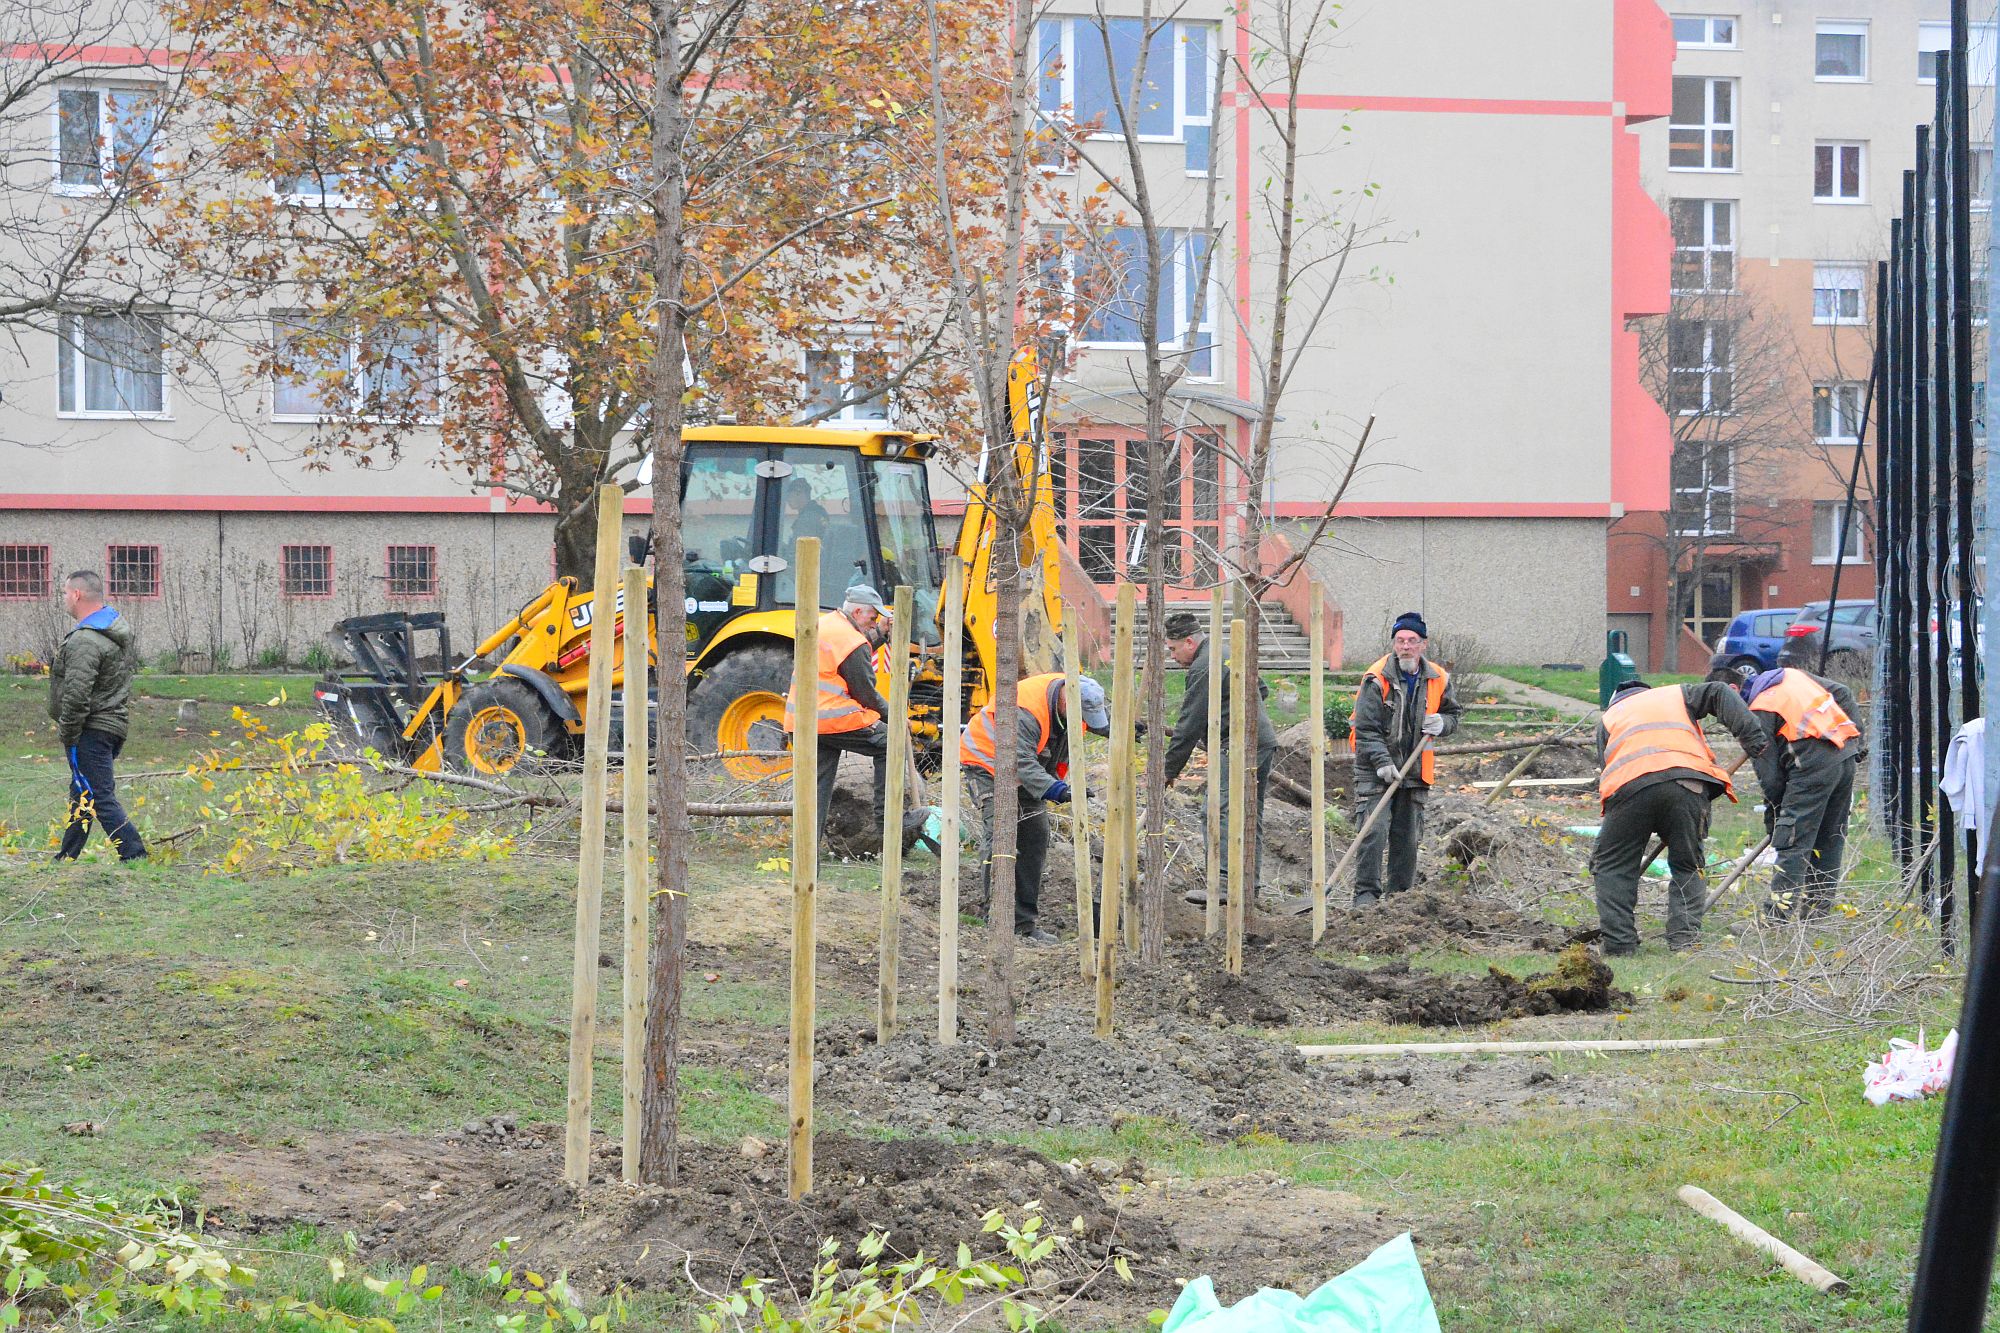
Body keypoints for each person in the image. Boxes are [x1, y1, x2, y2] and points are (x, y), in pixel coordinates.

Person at [1593, 677, 1768, 954]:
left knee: (1613, 866)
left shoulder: (1609, 718)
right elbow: (1719, 690)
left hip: (1629, 788)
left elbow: (1607, 767)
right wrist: (1752, 736)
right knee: (1687, 865)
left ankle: (1619, 945)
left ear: (1615, 700)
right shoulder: (1675, 694)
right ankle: (1684, 941)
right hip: (1688, 784)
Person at [960, 671, 1111, 943]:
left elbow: (1092, 716)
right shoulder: (1026, 710)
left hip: (1026, 769)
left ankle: (1023, 924)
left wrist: (1120, 727)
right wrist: (1059, 790)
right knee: (1001, 838)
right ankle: (995, 917)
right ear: (1066, 705)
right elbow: (1023, 763)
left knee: (1035, 837)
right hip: (987, 764)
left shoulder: (1077, 690)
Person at [1716, 664, 1863, 923]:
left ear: (1733, 690)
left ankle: (1776, 918)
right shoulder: (1790, 676)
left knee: (1793, 841)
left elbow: (1771, 780)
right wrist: (1857, 741)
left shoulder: (1760, 710)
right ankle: (1817, 915)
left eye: (1722, 714)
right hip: (1844, 758)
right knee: (1829, 838)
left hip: (1812, 767)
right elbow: (1842, 692)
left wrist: (1778, 823)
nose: (1726, 721)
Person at [1161, 611, 1278, 906]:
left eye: (1173, 649)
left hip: (1239, 744)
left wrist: (1168, 770)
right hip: (1262, 740)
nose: (1172, 656)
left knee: (1217, 811)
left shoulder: (1204, 666)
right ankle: (1249, 886)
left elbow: (1189, 724)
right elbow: (1261, 688)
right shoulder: (1227, 651)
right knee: (1251, 814)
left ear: (1189, 641)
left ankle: (1225, 884)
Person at [1347, 612, 1461, 906]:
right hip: (1374, 768)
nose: (1406, 647)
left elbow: (1453, 714)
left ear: (1423, 644)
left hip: (1415, 769)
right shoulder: (1376, 678)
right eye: (1400, 641)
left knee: (1407, 839)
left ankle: (1399, 900)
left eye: (1412, 641)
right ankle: (1366, 897)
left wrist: (1443, 724)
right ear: (1394, 644)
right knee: (1372, 832)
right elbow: (1365, 728)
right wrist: (1383, 763)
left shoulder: (1438, 677)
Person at [784, 585, 893, 847]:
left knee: (815, 796)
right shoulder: (852, 641)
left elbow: (849, 655)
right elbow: (865, 693)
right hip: (832, 720)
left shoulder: (829, 624)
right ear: (857, 611)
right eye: (872, 618)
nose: (874, 622)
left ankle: (807, 865)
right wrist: (896, 718)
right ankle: (887, 818)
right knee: (891, 742)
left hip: (802, 721)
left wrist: (880, 633)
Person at [50, 570, 146, 862]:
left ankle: (135, 855)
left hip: (90, 729)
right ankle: (67, 855)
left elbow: (77, 695)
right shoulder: (112, 632)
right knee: (82, 794)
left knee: (99, 796)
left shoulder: (86, 640)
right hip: (111, 726)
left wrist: (68, 733)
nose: (65, 599)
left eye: (66, 593)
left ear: (77, 594)